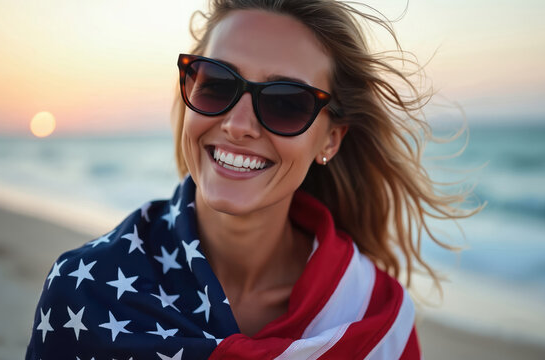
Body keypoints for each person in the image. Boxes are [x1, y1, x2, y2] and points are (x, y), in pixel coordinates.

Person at [26, 0, 472, 359]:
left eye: (286, 102)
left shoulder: (371, 319)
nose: (239, 125)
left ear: (330, 140)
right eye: (217, 84)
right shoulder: (86, 290)